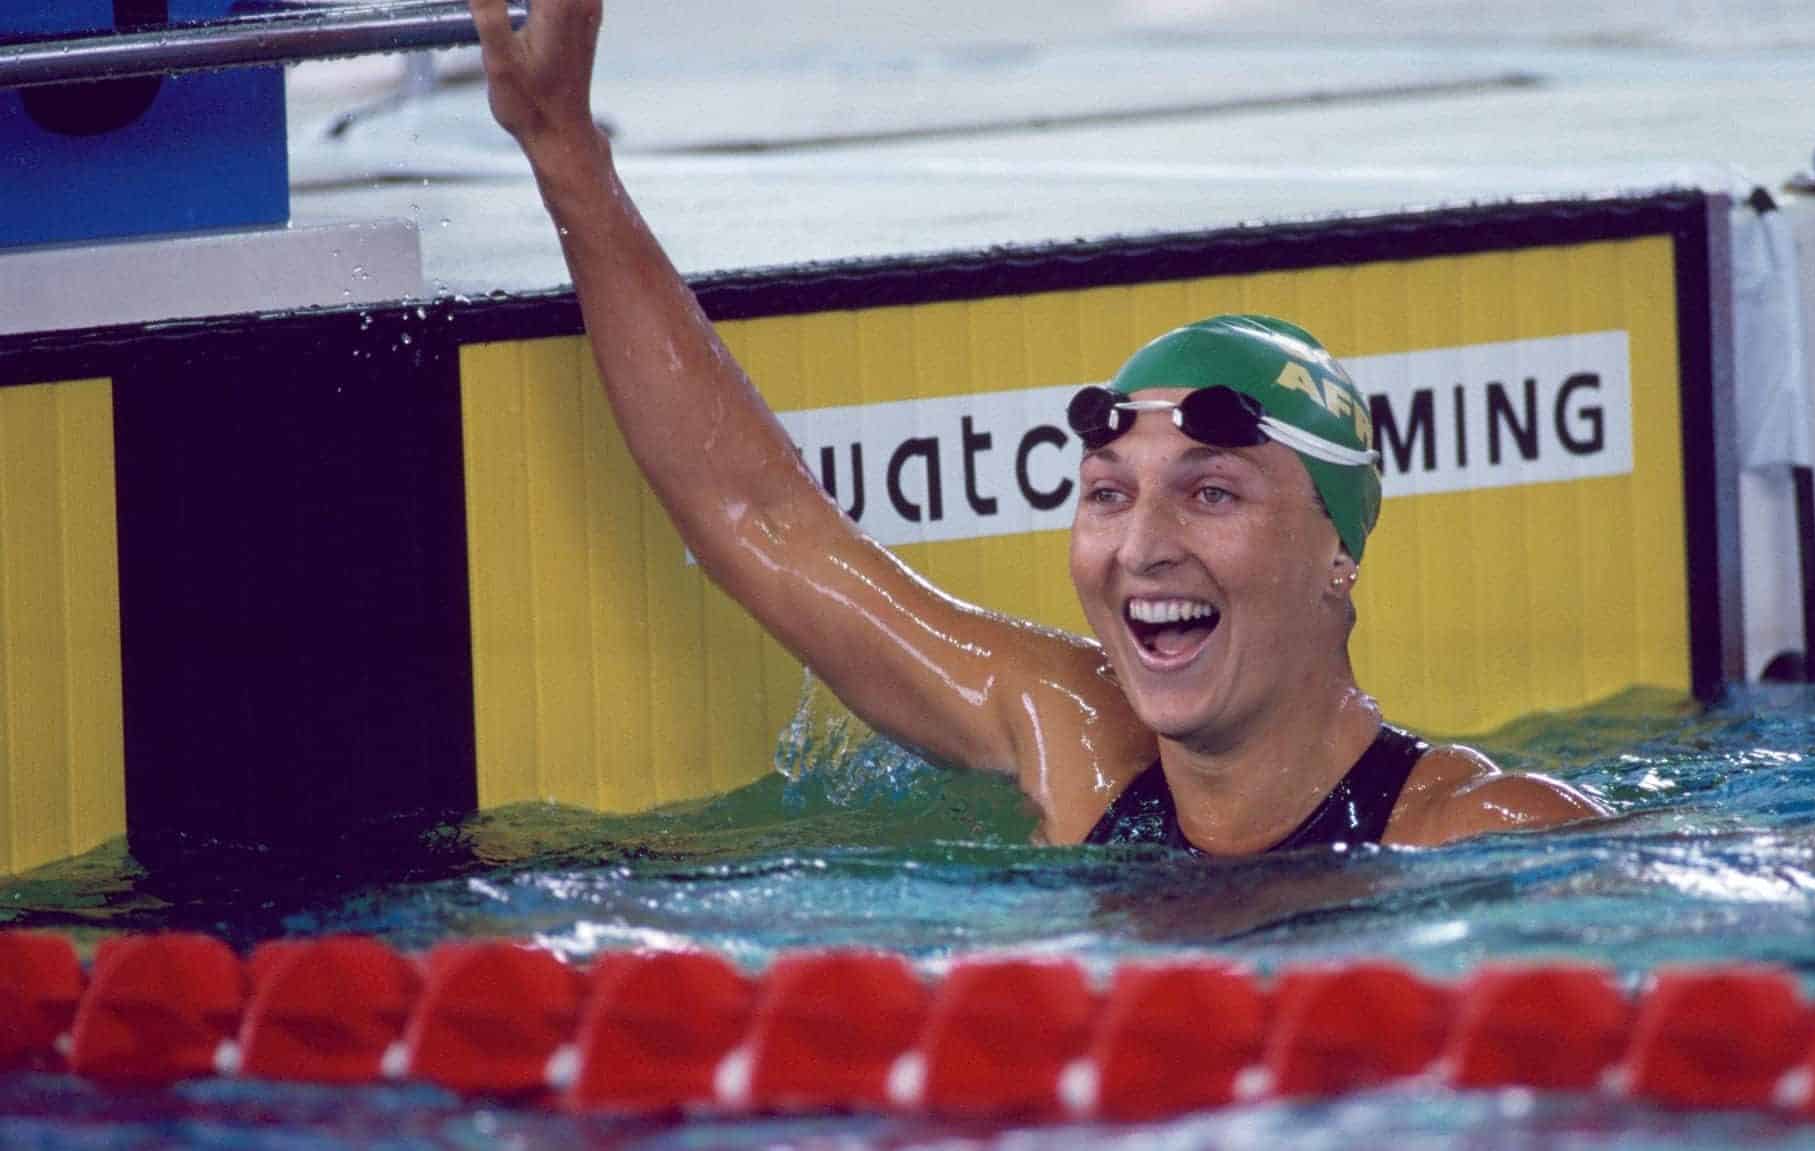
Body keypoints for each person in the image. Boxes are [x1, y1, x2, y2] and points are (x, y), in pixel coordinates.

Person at [463, 0, 1607, 854]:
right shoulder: (1075, 739)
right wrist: (566, 151)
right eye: (1108, 490)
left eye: (1210, 490)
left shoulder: (1482, 829)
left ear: (1337, 554)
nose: (1141, 543)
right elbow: (758, 519)